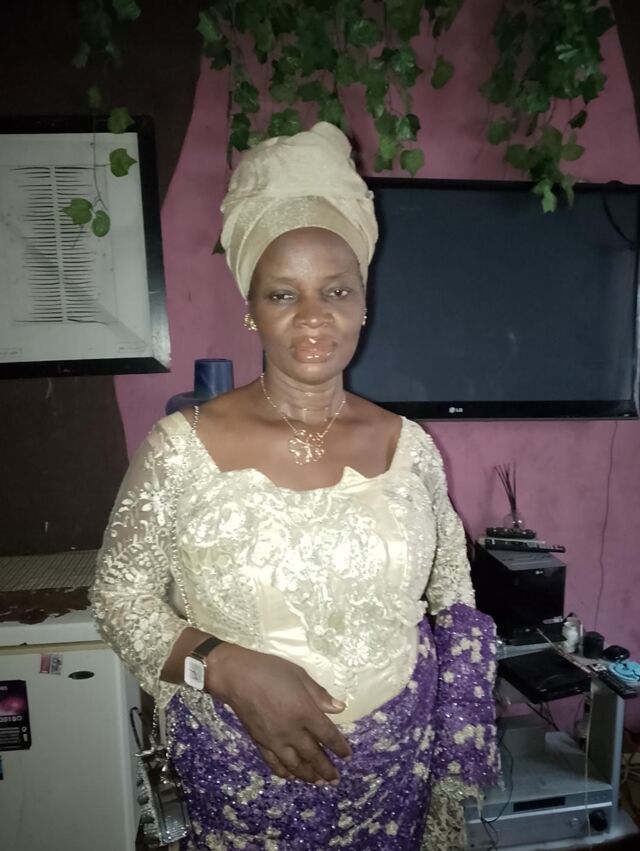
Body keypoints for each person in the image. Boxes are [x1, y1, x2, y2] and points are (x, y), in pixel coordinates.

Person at [91, 122, 499, 851]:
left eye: (336, 290)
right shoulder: (183, 448)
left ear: (364, 301)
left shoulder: (409, 447)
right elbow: (119, 600)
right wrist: (223, 668)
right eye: (284, 294)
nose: (314, 317)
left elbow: (452, 593)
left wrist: (446, 734)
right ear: (251, 307)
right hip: (243, 782)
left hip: (394, 778)